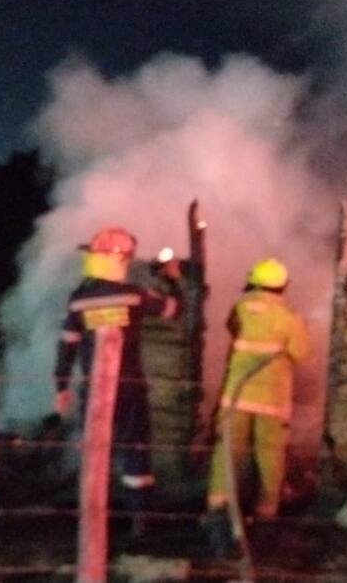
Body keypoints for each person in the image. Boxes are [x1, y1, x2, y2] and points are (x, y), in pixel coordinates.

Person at [52, 226, 181, 533]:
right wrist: (172, 279)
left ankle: (93, 517)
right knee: (135, 449)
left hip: (94, 389)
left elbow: (67, 344)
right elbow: (173, 310)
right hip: (130, 389)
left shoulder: (78, 299)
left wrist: (61, 386)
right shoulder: (133, 295)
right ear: (120, 260)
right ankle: (140, 518)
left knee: (96, 450)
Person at [203, 257, 310, 549]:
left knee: (226, 455)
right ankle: (265, 517)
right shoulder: (289, 318)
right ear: (283, 286)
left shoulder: (239, 308)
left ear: (253, 281)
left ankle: (218, 513)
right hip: (272, 402)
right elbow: (301, 354)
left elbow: (233, 329)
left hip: (235, 397)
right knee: (269, 457)